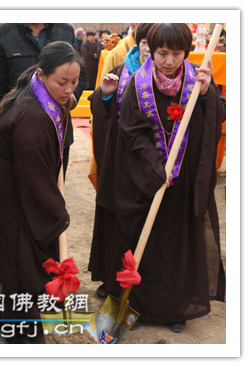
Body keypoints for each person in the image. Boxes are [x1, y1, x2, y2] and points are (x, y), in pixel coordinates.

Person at [111, 23, 225, 333]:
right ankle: (140, 305)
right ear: (152, 49)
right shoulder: (138, 83)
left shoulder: (196, 80)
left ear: (186, 53)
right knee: (144, 240)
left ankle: (175, 307)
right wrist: (154, 165)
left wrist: (205, 96)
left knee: (177, 241)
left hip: (183, 178)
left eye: (177, 54)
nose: (170, 61)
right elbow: (132, 130)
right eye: (163, 53)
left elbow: (217, 117)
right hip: (146, 176)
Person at [0, 41, 80, 343]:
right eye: (62, 82)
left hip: (15, 191)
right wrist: (58, 212)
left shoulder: (38, 95)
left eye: (74, 82)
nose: (69, 89)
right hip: (9, 200)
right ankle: (16, 337)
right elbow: (35, 180)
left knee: (20, 264)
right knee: (17, 266)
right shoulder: (31, 118)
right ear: (42, 74)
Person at [87, 23, 154, 299]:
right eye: (145, 43)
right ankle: (114, 278)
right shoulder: (121, 70)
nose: (149, 49)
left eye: (157, 44)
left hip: (153, 164)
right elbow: (99, 106)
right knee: (116, 219)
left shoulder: (179, 78)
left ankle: (152, 291)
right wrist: (104, 95)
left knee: (152, 224)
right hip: (120, 162)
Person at [0, 23, 86, 143]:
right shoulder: (0, 36)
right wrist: (4, 132)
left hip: (58, 131)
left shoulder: (64, 31)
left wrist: (72, 95)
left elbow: (80, 71)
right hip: (18, 132)